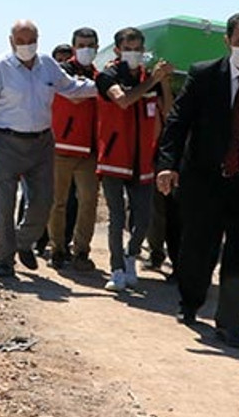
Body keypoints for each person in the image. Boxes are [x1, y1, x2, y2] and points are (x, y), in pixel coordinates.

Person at [156, 11, 239, 349]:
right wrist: (167, 164)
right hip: (206, 180)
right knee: (198, 249)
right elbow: (177, 122)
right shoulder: (205, 75)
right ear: (227, 42)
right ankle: (190, 301)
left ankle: (232, 324)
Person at [0, 20, 97, 279]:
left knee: (44, 201)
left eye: (31, 41)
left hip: (42, 143)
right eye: (20, 41)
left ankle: (23, 242)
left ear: (38, 40)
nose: (26, 46)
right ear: (11, 41)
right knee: (3, 203)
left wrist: (102, 89)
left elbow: (70, 87)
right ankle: (4, 260)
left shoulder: (47, 65)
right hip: (5, 142)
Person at [96, 27, 173, 291]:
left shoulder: (148, 76)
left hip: (144, 160)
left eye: (138, 48)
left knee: (143, 217)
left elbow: (169, 110)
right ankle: (116, 268)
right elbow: (124, 101)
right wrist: (152, 81)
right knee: (116, 218)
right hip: (114, 158)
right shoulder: (107, 75)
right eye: (128, 48)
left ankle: (131, 256)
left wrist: (162, 80)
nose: (134, 53)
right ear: (117, 50)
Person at [47, 30, 101, 270]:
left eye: (90, 45)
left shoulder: (100, 74)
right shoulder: (60, 73)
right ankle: (57, 249)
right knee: (57, 203)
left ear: (97, 47)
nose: (86, 49)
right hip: (61, 148)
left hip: (89, 152)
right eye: (81, 45)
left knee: (88, 203)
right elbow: (76, 97)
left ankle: (81, 252)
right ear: (73, 46)